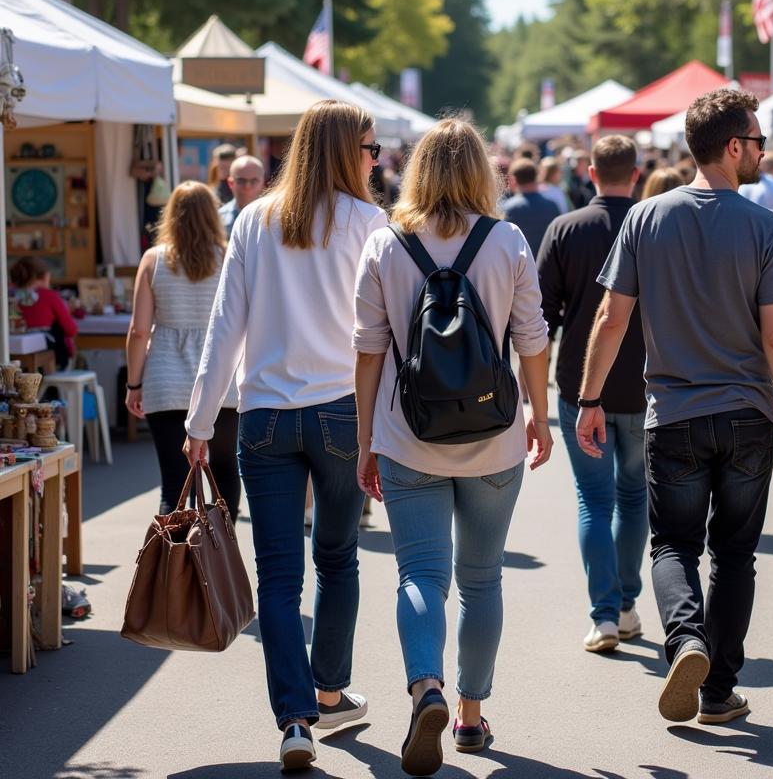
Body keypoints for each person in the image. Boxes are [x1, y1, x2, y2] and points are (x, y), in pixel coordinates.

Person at [576, 88, 773, 727]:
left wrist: (589, 397)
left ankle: (686, 641)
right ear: (733, 147)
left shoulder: (645, 218)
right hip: (746, 414)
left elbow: (612, 317)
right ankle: (718, 691)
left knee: (673, 547)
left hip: (674, 413)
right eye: (759, 141)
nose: (763, 151)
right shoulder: (766, 225)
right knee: (734, 554)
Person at [184, 102, 388, 770]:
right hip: (339, 413)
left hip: (265, 415)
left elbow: (226, 328)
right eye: (369, 146)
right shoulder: (367, 222)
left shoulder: (255, 219)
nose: (375, 158)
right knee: (338, 558)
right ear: (342, 150)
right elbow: (383, 336)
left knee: (278, 576)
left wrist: (199, 421)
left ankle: (295, 719)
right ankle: (329, 691)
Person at [353, 117, 552, 776]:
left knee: (420, 576)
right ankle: (469, 715)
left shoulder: (386, 244)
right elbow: (532, 338)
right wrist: (541, 418)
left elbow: (369, 352)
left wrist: (365, 441)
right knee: (482, 578)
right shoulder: (508, 241)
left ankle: (424, 687)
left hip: (409, 436)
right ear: (480, 172)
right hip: (494, 440)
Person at [537, 135, 648, 654]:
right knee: (633, 496)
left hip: (583, 385)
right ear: (638, 172)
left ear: (589, 171)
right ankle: (626, 605)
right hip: (647, 382)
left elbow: (542, 314)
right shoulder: (654, 225)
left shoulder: (566, 229)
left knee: (594, 501)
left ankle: (604, 614)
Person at [125, 182, 241, 521]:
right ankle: (220, 561)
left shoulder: (153, 260)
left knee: (173, 485)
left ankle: (171, 567)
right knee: (223, 472)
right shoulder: (229, 256)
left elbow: (139, 330)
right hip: (221, 384)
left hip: (166, 380)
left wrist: (134, 384)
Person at [10, 257, 77, 369]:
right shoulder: (49, 296)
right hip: (46, 357)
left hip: (11, 354)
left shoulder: (10, 296)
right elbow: (71, 329)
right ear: (45, 276)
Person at [500, 157, 560, 257]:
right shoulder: (552, 206)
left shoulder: (506, 209)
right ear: (537, 178)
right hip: (546, 267)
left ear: (513, 180)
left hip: (518, 268)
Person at [219, 154, 266, 237]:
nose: (247, 186)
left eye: (254, 181)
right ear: (230, 183)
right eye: (241, 181)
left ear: (263, 183)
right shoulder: (219, 220)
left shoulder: (274, 219)